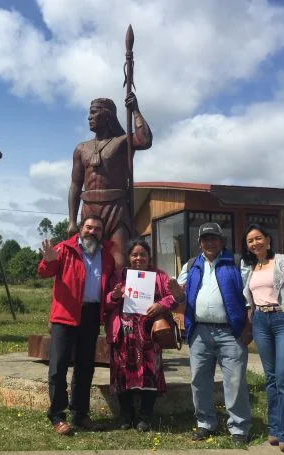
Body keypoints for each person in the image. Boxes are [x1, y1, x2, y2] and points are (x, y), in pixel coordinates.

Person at [169, 222, 252, 445]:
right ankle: (205, 423)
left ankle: (239, 428)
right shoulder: (190, 265)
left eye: (214, 238)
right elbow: (180, 300)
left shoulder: (236, 263)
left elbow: (250, 298)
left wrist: (248, 328)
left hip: (231, 333)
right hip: (199, 333)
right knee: (199, 380)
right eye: (205, 239)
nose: (210, 242)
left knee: (234, 381)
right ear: (199, 243)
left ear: (222, 241)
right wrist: (177, 294)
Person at [38, 215, 116, 436]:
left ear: (102, 233)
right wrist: (49, 259)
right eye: (89, 227)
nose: (92, 232)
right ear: (81, 228)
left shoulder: (107, 256)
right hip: (65, 315)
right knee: (58, 367)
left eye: (97, 229)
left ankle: (80, 414)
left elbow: (108, 286)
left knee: (85, 367)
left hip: (91, 315)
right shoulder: (64, 249)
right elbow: (44, 272)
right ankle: (57, 415)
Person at [240, 224, 284, 453]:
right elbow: (248, 295)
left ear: (268, 240)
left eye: (258, 238)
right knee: (270, 378)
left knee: (283, 377)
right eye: (250, 240)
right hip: (261, 321)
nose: (255, 243)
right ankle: (275, 429)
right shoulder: (249, 266)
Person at [67, 92, 153, 270]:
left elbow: (145, 140)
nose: (89, 117)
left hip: (116, 209)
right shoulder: (81, 148)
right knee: (87, 260)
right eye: (90, 113)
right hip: (89, 208)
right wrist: (72, 221)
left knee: (119, 261)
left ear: (107, 115)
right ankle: (90, 297)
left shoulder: (122, 141)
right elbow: (75, 185)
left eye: (94, 112)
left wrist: (135, 110)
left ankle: (117, 297)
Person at [105, 239, 179, 432]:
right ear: (129, 257)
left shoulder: (159, 276)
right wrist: (114, 296)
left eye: (142, 254)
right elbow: (106, 301)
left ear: (149, 256)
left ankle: (145, 416)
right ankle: (126, 414)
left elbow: (173, 297)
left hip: (149, 335)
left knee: (150, 373)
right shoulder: (119, 276)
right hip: (123, 335)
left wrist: (161, 305)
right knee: (122, 374)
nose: (139, 258)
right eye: (134, 255)